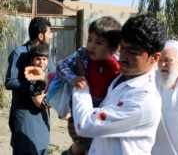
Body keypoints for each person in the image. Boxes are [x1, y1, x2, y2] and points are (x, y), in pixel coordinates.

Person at [24, 14, 168, 155]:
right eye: (122, 48)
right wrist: (46, 77)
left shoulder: (143, 101)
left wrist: (81, 81)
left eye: (133, 52)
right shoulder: (121, 78)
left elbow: (84, 124)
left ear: (154, 58)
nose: (123, 57)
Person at [56, 16, 121, 155]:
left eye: (98, 42)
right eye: (89, 39)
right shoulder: (82, 55)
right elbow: (62, 65)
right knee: (82, 141)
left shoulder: (118, 65)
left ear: (113, 49)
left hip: (103, 114)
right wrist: (73, 78)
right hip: (82, 111)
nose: (91, 45)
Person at [5, 17, 53, 155]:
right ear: (40, 35)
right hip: (25, 116)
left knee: (41, 149)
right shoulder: (19, 53)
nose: (50, 36)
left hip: (42, 114)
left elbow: (52, 78)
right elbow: (9, 82)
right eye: (49, 33)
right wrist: (30, 85)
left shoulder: (45, 54)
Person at [29, 44, 51, 109]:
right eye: (38, 59)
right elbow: (41, 103)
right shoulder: (33, 78)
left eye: (44, 59)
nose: (41, 62)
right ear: (32, 60)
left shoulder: (47, 71)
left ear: (48, 60)